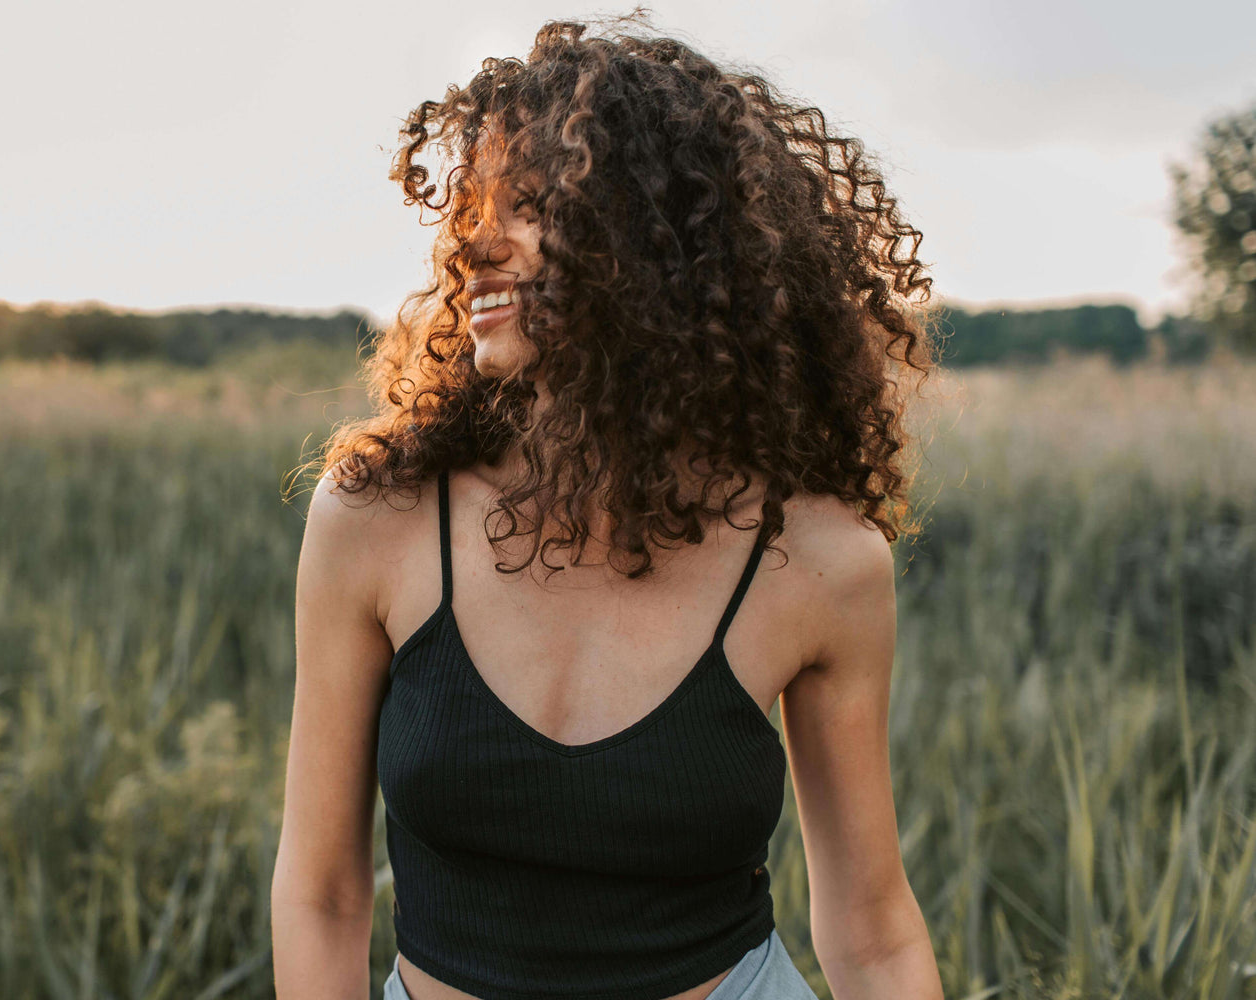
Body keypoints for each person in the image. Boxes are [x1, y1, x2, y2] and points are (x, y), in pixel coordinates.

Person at [273, 12, 946, 1000]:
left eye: (532, 204)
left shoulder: (818, 562)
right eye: (474, 207)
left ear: (661, 247)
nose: (478, 245)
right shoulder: (379, 513)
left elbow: (873, 929)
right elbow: (323, 890)